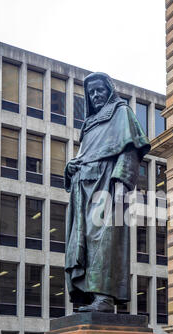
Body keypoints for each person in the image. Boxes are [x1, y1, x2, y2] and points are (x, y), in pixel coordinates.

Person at [64, 72, 150, 313]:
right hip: (83, 187)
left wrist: (122, 183)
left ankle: (105, 297)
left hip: (106, 184)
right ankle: (90, 295)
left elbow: (130, 151)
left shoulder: (121, 112)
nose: (95, 95)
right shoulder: (88, 124)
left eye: (99, 90)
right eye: (91, 93)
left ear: (109, 89)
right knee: (84, 243)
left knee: (104, 241)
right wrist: (71, 167)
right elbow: (85, 155)